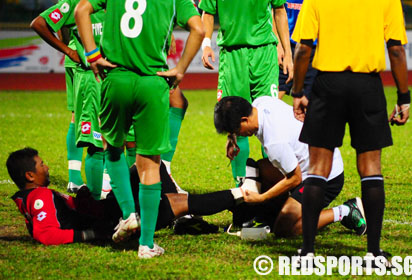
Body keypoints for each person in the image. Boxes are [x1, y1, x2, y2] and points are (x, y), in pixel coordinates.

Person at [7, 148, 363, 248]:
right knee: (177, 200)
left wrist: (80, 199)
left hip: (108, 211)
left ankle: (231, 201)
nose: (47, 166)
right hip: (109, 219)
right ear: (29, 175)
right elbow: (46, 235)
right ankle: (240, 196)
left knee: (152, 168)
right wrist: (93, 234)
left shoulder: (36, 194)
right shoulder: (38, 196)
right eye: (41, 164)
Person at [74, 0, 204, 258]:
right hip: (152, 83)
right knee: (150, 164)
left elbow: (81, 11)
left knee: (112, 149)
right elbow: (198, 30)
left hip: (117, 78)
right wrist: (180, 69)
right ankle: (146, 245)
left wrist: (92, 55)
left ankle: (128, 215)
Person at [290, 0, 410, 261]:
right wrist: (404, 96)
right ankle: (373, 253)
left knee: (318, 168)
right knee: (371, 169)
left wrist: (297, 91)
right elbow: (397, 50)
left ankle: (308, 252)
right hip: (367, 86)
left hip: (327, 85)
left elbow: (302, 49)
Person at [214, 96, 367, 237]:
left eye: (235, 130)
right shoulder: (261, 103)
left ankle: (346, 211)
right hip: (320, 158)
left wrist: (261, 198)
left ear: (244, 119)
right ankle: (273, 212)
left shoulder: (274, 142)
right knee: (261, 168)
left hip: (324, 177)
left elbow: (295, 178)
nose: (238, 134)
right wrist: (231, 137)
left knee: (284, 229)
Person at [200, 0, 293, 186]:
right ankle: (241, 190)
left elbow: (280, 10)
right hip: (232, 54)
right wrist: (206, 44)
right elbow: (208, 12)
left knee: (270, 123)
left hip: (264, 53)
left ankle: (276, 186)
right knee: (235, 126)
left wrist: (288, 52)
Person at [30, 2, 106, 199]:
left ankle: (77, 177)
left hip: (84, 65)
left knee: (79, 118)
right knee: (95, 130)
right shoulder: (75, 3)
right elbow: (42, 22)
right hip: (85, 68)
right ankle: (96, 187)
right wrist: (69, 49)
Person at [277, 0, 317, 99]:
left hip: (313, 47)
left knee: (308, 97)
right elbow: (275, 11)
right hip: (287, 45)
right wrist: (278, 45)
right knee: (277, 90)